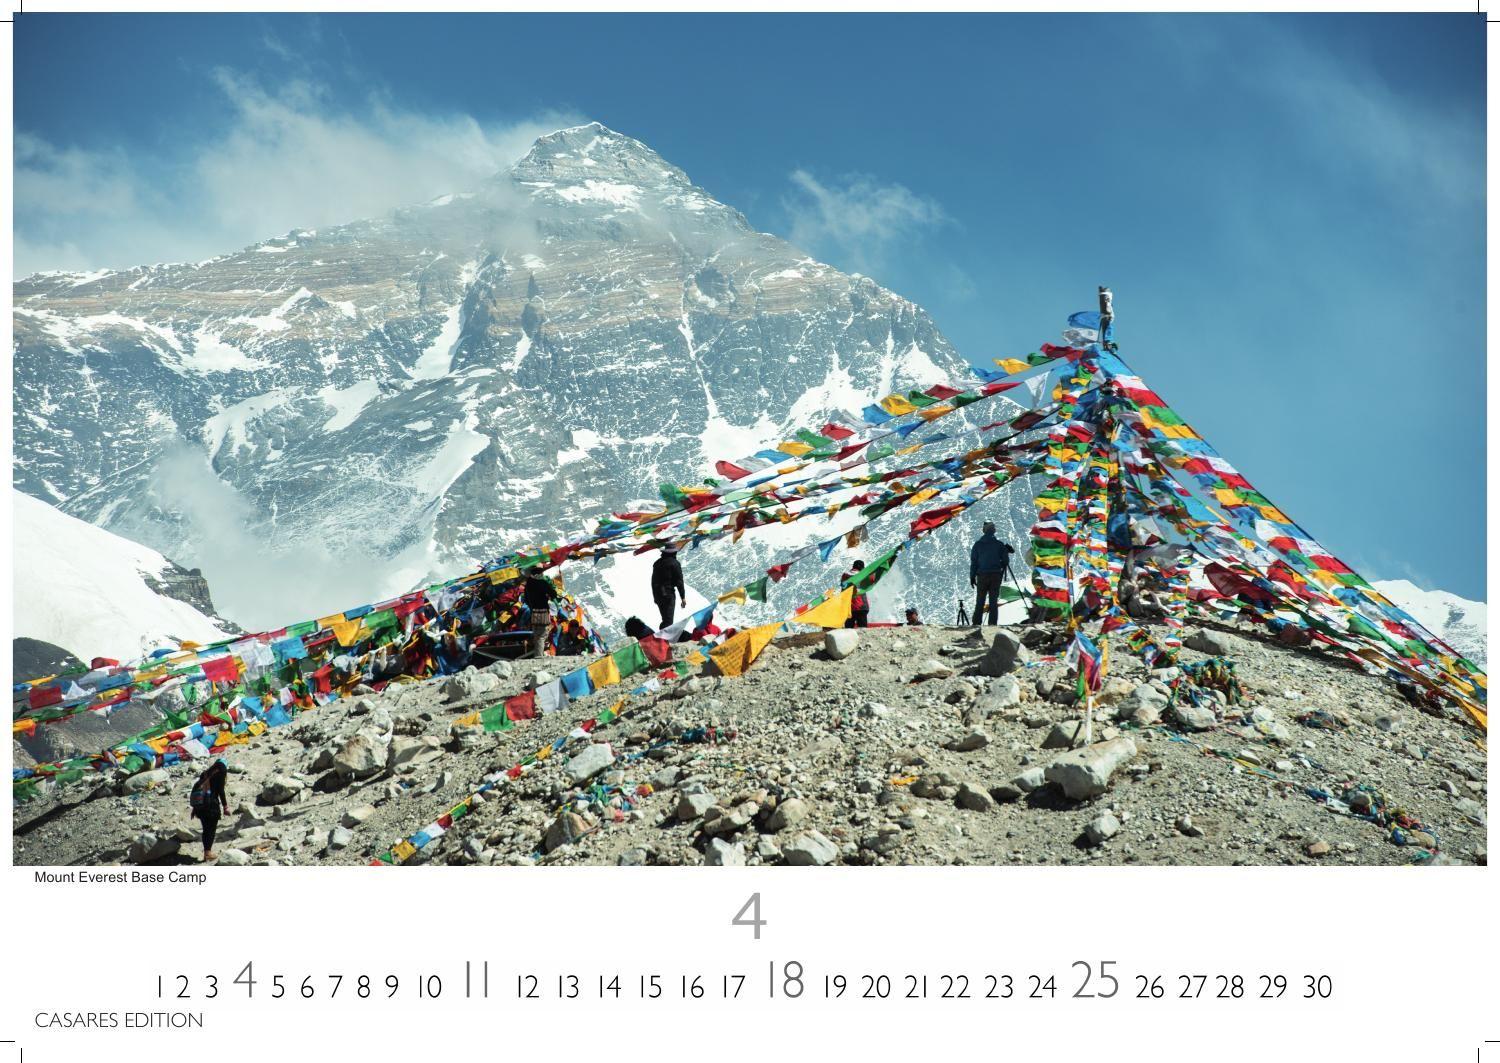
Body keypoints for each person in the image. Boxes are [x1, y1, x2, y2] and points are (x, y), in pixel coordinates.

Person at [969, 520, 1015, 626]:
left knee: (980, 601)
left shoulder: (978, 545)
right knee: (993, 602)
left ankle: (976, 624)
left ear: (984, 530)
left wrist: (972, 577)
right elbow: (1005, 562)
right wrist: (1004, 553)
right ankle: (992, 625)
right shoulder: (999, 545)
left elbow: (974, 562)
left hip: (982, 576)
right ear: (994, 530)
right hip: (995, 576)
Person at [189, 759, 230, 863]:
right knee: (211, 829)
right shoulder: (221, 772)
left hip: (200, 807)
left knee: (205, 829)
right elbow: (221, 790)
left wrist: (195, 809)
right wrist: (225, 806)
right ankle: (208, 853)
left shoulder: (206, 774)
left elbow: (199, 790)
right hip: (210, 806)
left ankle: (206, 852)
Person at [650, 545, 687, 630]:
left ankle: (662, 638)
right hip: (668, 594)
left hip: (658, 594)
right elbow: (679, 581)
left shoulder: (657, 563)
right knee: (668, 621)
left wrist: (655, 596)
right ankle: (662, 639)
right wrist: (683, 597)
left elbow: (653, 581)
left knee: (665, 619)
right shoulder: (674, 563)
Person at [523, 572, 557, 657]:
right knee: (542, 634)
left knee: (536, 634)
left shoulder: (528, 585)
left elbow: (526, 599)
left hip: (533, 612)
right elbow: (553, 594)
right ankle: (539, 656)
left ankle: (537, 654)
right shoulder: (542, 583)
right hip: (543, 612)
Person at [843, 560, 870, 628]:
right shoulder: (863, 575)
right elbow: (872, 579)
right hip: (861, 606)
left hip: (848, 606)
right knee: (862, 629)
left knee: (848, 629)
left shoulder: (845, 575)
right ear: (862, 568)